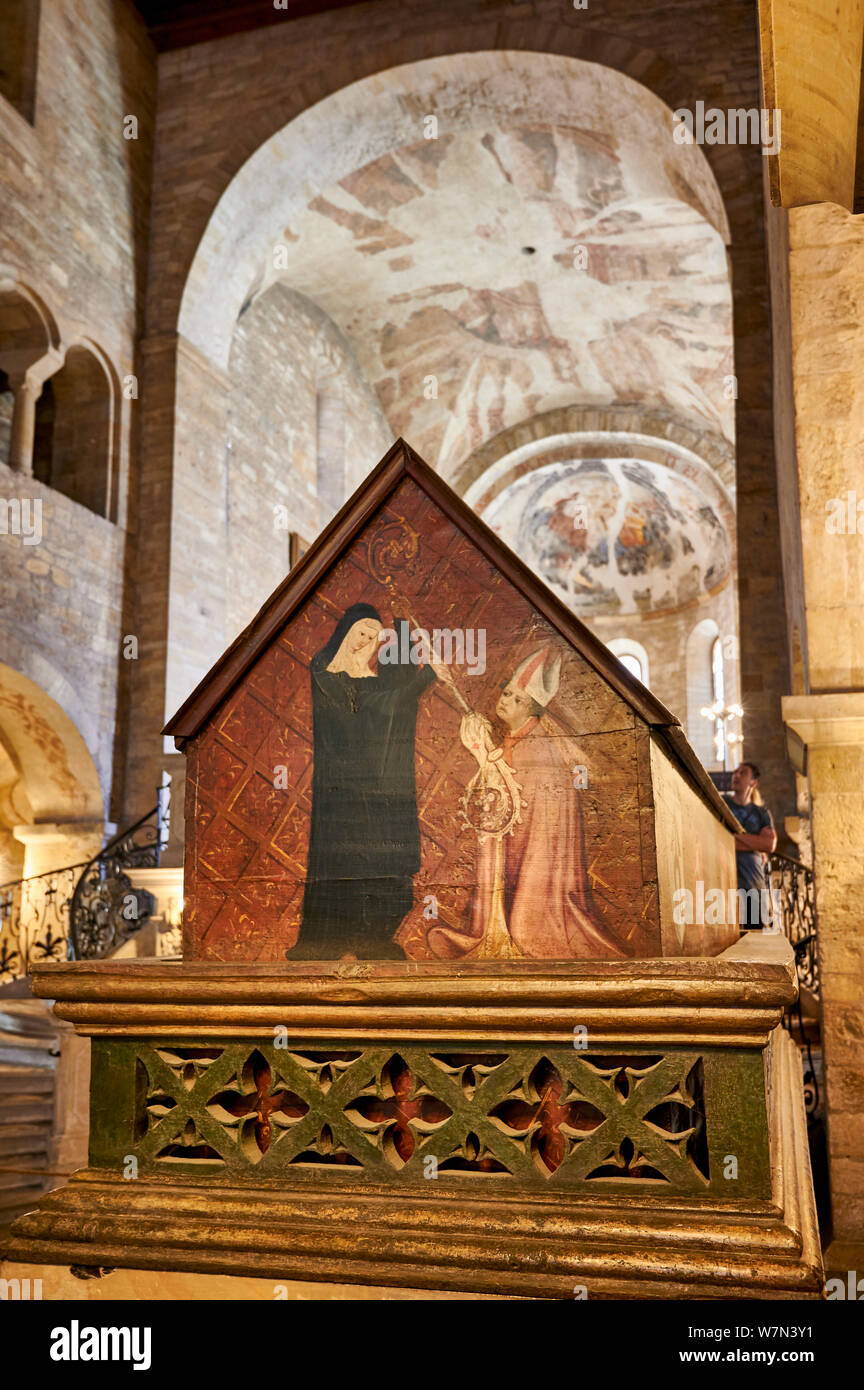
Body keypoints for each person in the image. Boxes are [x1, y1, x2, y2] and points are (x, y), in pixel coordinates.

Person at [428, 646, 627, 960]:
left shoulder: (538, 748)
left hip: (538, 863)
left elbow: (507, 802)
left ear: (532, 711)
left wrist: (482, 754)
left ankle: (526, 923)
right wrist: (486, 753)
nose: (505, 701)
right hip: (519, 848)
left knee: (525, 929)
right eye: (507, 693)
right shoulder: (518, 738)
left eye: (516, 699)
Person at [288, 603, 441, 960]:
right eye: (361, 632)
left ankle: (374, 936)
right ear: (345, 632)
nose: (366, 642)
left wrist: (404, 628)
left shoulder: (370, 680)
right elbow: (370, 709)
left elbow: (392, 699)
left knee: (383, 859)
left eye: (374, 637)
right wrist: (427, 677)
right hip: (343, 796)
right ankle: (334, 939)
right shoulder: (326, 675)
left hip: (378, 791)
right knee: (347, 864)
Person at [722, 761, 778, 928]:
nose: (736, 775)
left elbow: (769, 845)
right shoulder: (722, 804)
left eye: (743, 773)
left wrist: (735, 837)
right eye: (735, 772)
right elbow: (718, 840)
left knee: (756, 940)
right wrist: (755, 842)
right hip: (725, 884)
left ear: (753, 782)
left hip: (753, 883)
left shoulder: (761, 813)